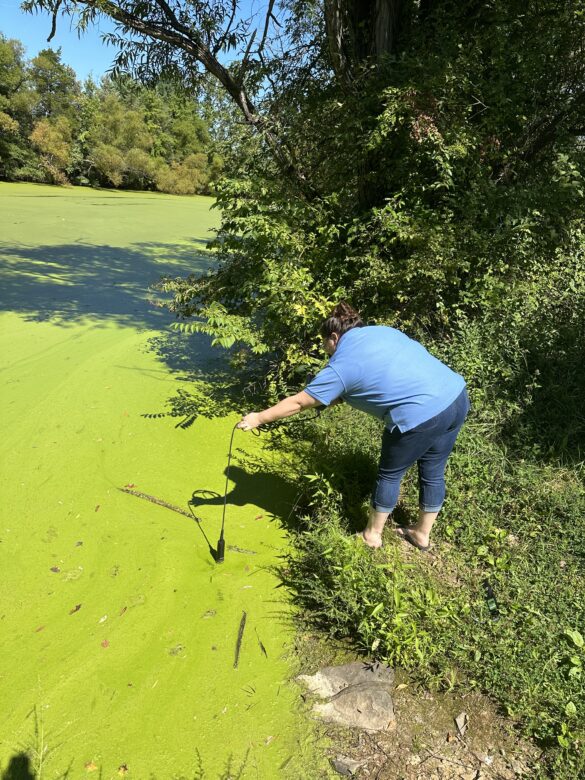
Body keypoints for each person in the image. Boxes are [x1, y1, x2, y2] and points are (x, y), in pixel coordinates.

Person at [237, 302, 469, 551]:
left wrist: (257, 418)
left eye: (324, 343)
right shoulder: (380, 331)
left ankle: (372, 536)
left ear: (334, 337)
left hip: (419, 413)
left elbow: (299, 402)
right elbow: (382, 373)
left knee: (389, 475)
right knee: (433, 470)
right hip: (456, 395)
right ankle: (421, 534)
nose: (324, 349)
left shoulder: (342, 364)